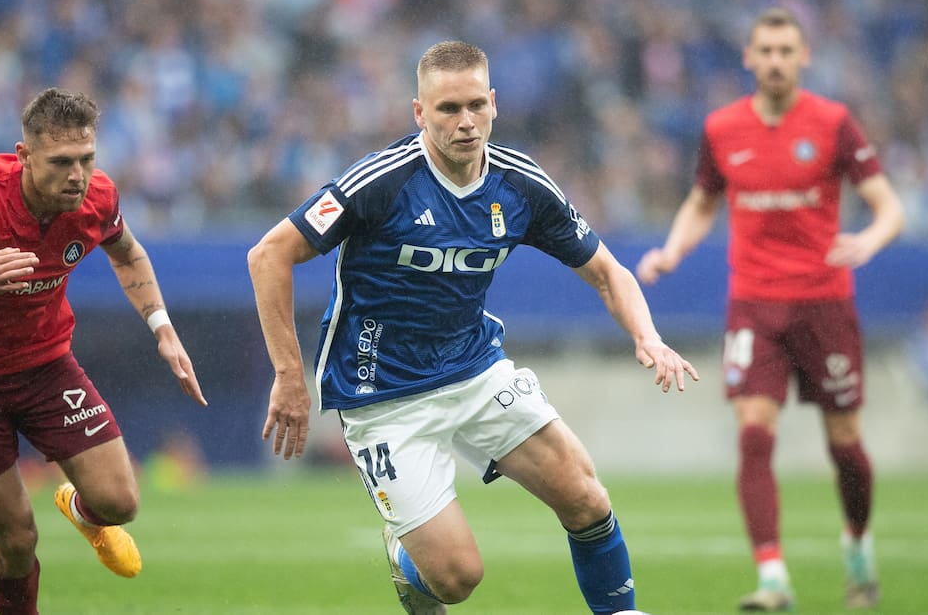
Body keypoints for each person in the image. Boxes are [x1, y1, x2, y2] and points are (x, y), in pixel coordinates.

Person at [247, 40, 697, 615]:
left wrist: (647, 335)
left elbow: (609, 273)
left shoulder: (519, 184)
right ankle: (407, 558)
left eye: (475, 106)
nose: (465, 122)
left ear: (493, 104)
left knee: (586, 498)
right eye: (448, 109)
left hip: (475, 370)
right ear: (419, 113)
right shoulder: (380, 182)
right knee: (457, 579)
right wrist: (289, 376)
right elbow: (269, 255)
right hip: (381, 393)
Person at [0, 87, 207, 615]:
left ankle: (80, 511)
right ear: (25, 155)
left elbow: (128, 253)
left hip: (43, 366)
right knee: (17, 541)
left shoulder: (98, 197)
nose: (77, 175)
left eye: (86, 159)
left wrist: (162, 328)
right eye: (61, 162)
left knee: (119, 502)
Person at [635, 7, 905, 612]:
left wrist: (870, 239)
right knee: (754, 432)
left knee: (845, 442)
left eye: (786, 51)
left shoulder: (833, 123)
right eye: (766, 51)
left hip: (824, 304)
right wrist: (673, 251)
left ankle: (857, 540)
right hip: (754, 305)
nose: (776, 61)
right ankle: (773, 577)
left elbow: (889, 206)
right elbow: (702, 201)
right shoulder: (722, 128)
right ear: (749, 58)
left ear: (803, 56)